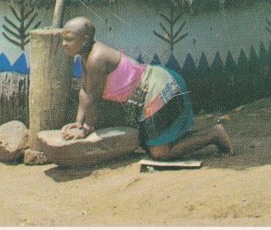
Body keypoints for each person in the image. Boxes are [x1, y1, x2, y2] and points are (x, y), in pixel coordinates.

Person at [60, 16, 233, 160]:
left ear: (85, 39)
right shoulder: (85, 55)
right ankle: (208, 135)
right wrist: (78, 123)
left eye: (69, 39)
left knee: (160, 153)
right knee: (154, 144)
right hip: (152, 90)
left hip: (160, 88)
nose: (64, 43)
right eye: (63, 38)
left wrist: (87, 128)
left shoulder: (96, 59)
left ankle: (214, 134)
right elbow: (84, 90)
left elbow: (93, 97)